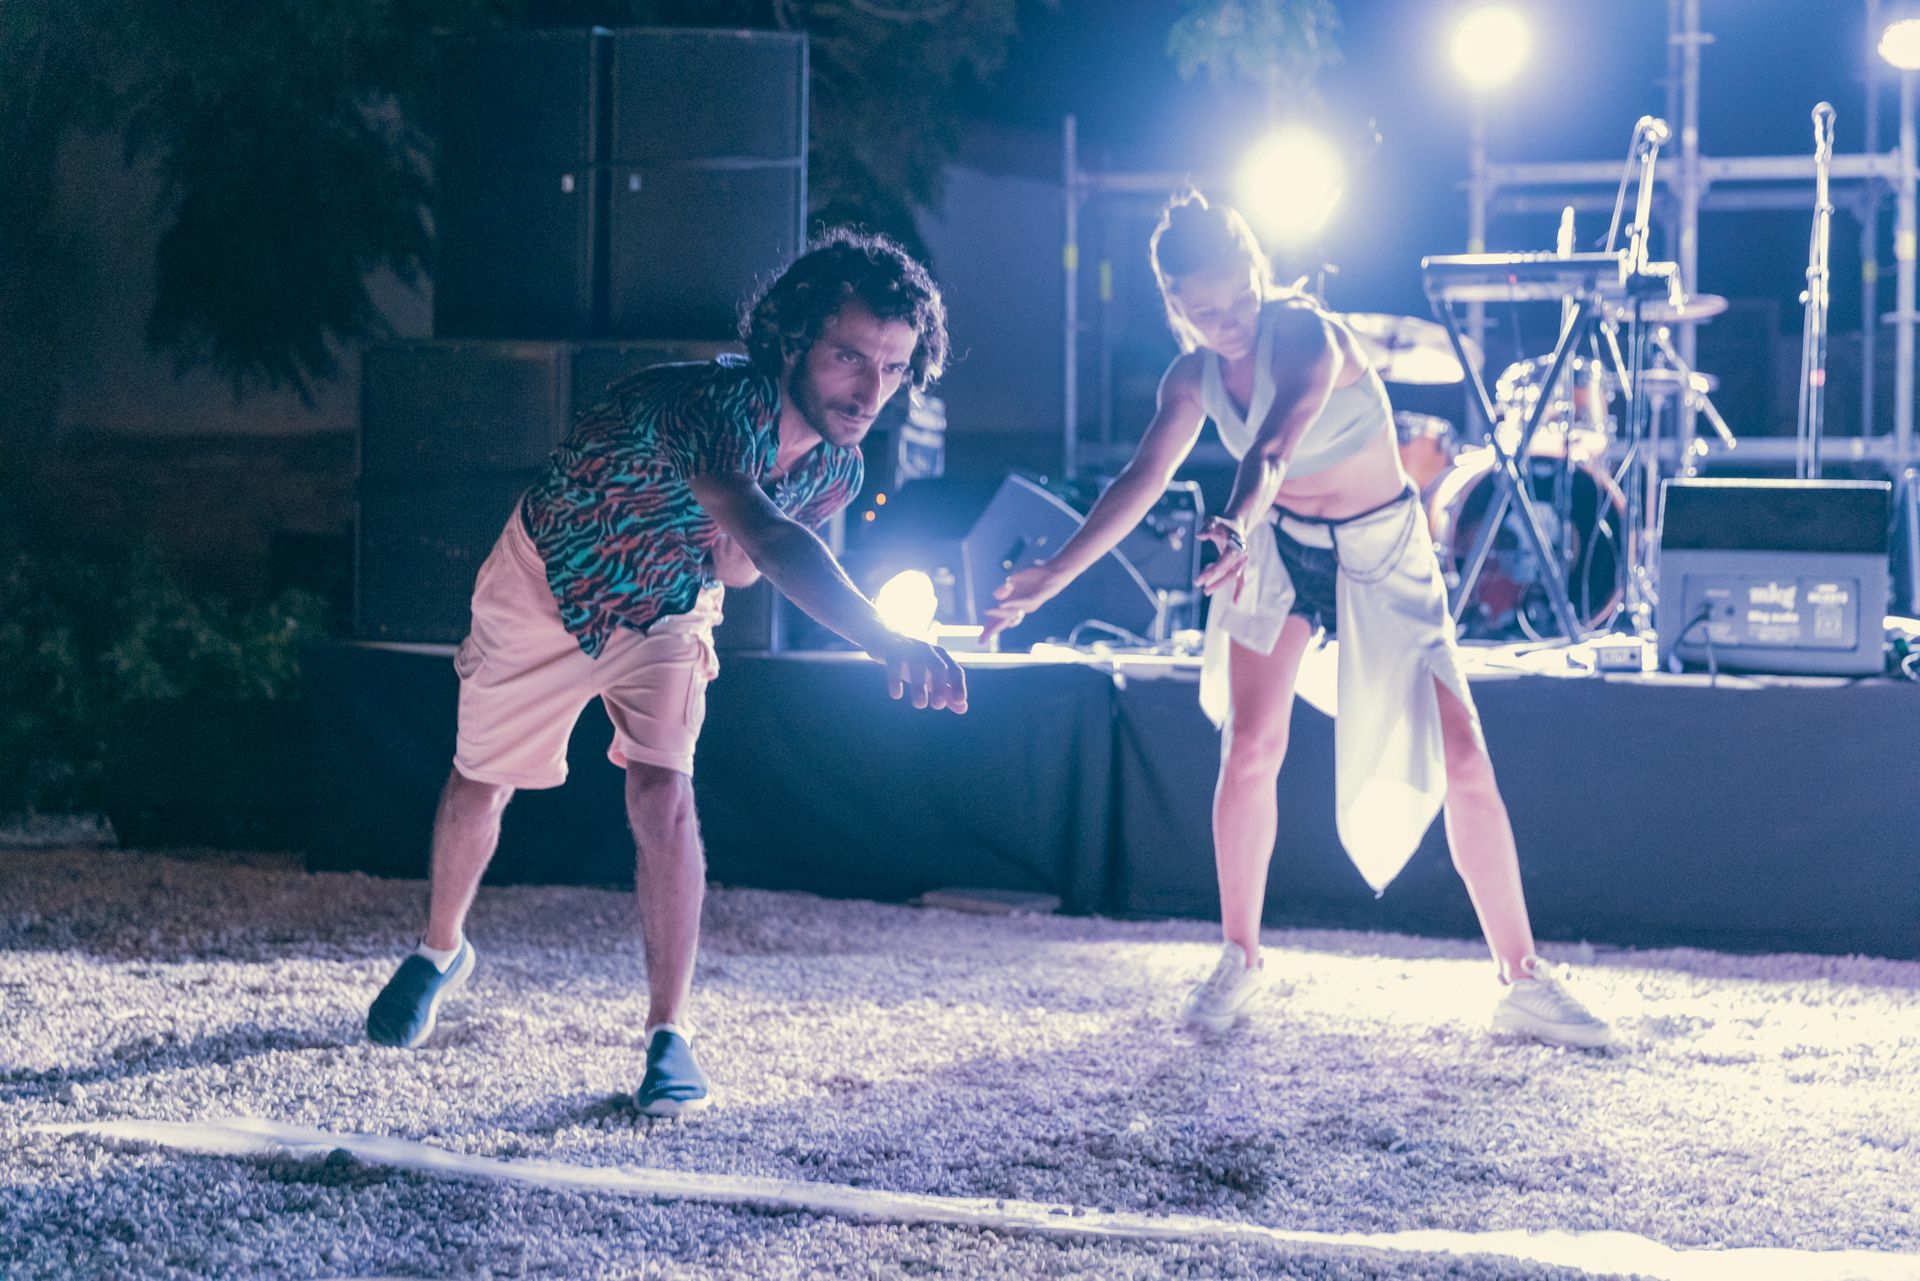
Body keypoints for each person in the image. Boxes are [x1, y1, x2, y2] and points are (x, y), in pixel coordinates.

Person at [982, 193, 1609, 1049]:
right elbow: (1141, 480)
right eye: (1206, 312)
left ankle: (1522, 976)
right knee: (1249, 745)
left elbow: (1273, 446)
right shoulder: (1190, 379)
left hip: (1379, 549)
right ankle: (1239, 957)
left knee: (1462, 753)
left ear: (1259, 271)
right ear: (1176, 307)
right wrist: (1053, 573)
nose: (1230, 322)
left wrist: (1237, 521)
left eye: (1241, 297)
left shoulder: (1307, 332)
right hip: (1280, 550)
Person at [365, 230, 969, 1112]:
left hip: (667, 605)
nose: (870, 390)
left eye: (893, 367)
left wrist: (734, 544)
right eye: (849, 356)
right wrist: (884, 637)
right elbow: (769, 537)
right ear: (792, 339)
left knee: (663, 791)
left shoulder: (837, 469)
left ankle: (668, 1035)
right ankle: (439, 949)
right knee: (483, 779)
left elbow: (738, 564)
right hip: (547, 582)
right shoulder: (719, 402)